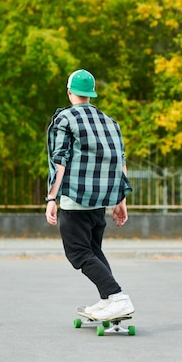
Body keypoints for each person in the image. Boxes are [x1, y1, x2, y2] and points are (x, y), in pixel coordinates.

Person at [45, 69, 135, 321]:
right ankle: (108, 299)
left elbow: (59, 160)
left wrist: (51, 198)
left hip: (75, 200)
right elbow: (120, 161)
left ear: (69, 92)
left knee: (78, 252)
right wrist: (121, 200)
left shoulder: (65, 119)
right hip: (100, 201)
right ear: (91, 94)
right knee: (93, 250)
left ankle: (117, 297)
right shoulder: (109, 121)